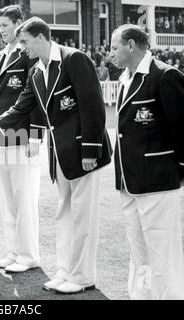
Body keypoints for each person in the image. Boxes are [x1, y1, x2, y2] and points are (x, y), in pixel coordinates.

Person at [0, 17, 112, 293]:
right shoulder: (36, 72)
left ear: (42, 37)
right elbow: (19, 108)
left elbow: (92, 106)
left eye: (25, 42)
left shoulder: (75, 59)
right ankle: (64, 271)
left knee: (82, 218)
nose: (22, 48)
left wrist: (91, 150)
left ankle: (82, 277)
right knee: (64, 215)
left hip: (83, 153)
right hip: (59, 154)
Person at [110, 24, 184, 300]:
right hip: (129, 180)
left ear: (131, 45)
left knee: (163, 250)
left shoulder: (165, 75)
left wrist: (179, 171)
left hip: (157, 178)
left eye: (115, 47)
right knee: (139, 249)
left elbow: (180, 127)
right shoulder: (124, 78)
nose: (111, 53)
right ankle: (142, 296)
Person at [0, 5, 45, 273]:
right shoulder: (4, 55)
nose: (1, 30)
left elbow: (35, 94)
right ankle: (13, 251)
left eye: (4, 25)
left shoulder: (27, 54)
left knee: (24, 199)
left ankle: (28, 255)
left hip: (23, 134)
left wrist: (36, 133)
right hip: (3, 136)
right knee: (8, 198)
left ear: (19, 24)